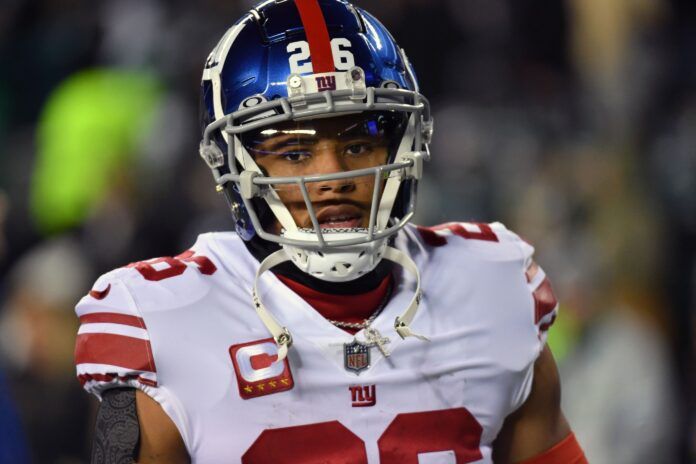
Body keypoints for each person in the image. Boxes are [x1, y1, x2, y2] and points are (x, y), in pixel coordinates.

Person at [74, 1, 588, 462]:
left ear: (404, 148)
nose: (331, 178)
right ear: (233, 165)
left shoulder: (492, 286)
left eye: (359, 145)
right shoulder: (163, 321)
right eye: (295, 152)